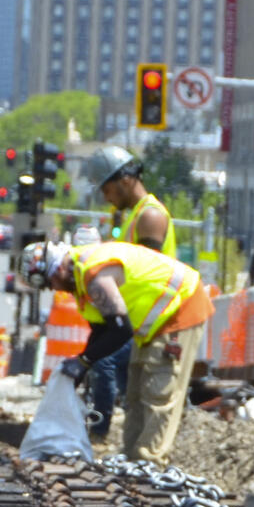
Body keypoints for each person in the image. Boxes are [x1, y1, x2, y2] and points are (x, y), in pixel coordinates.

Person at [23, 229, 214, 462]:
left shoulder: (93, 275)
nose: (53, 288)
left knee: (159, 391)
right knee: (134, 392)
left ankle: (150, 461)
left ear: (57, 270)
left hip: (180, 307)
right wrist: (83, 361)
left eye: (49, 283)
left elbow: (120, 330)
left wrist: (84, 361)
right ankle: (133, 457)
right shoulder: (82, 281)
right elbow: (102, 330)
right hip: (154, 321)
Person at [76, 144, 166, 439]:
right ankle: (131, 446)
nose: (106, 197)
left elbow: (146, 270)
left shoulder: (150, 216)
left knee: (106, 360)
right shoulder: (133, 216)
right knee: (133, 391)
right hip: (139, 319)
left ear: (125, 180)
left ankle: (100, 432)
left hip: (154, 319)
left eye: (107, 189)